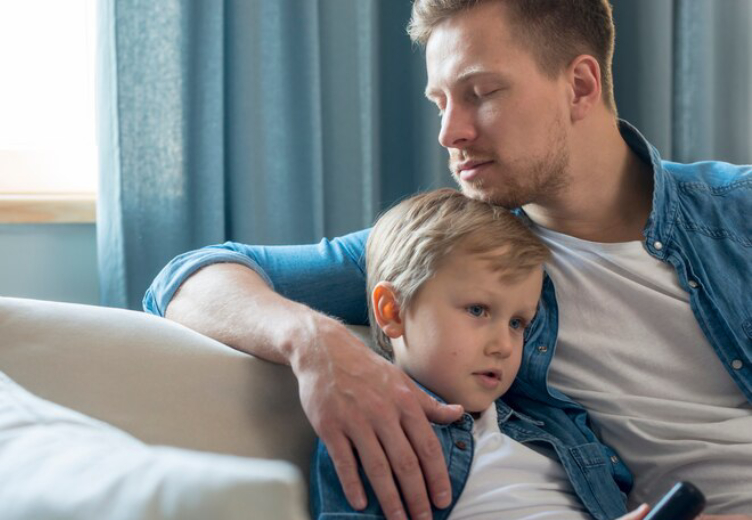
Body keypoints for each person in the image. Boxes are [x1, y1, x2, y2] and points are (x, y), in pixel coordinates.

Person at [144, 0, 752, 518]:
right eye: (440, 101)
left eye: (481, 93)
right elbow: (189, 279)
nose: (449, 132)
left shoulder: (737, 212)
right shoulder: (452, 254)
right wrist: (316, 345)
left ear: (581, 86)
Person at [310, 188, 651, 520]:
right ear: (393, 312)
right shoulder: (378, 430)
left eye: (518, 323)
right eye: (477, 310)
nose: (503, 345)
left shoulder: (556, 426)